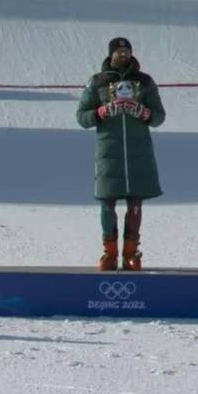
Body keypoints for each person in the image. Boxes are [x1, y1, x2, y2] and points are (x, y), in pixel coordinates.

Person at [76, 37, 166, 271]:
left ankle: (130, 254)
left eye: (127, 51)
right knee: (107, 203)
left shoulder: (144, 82)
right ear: (111, 55)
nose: (123, 54)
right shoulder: (98, 82)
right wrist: (102, 111)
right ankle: (109, 253)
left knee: (135, 204)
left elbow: (159, 116)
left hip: (139, 152)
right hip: (109, 151)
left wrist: (143, 112)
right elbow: (82, 117)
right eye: (119, 51)